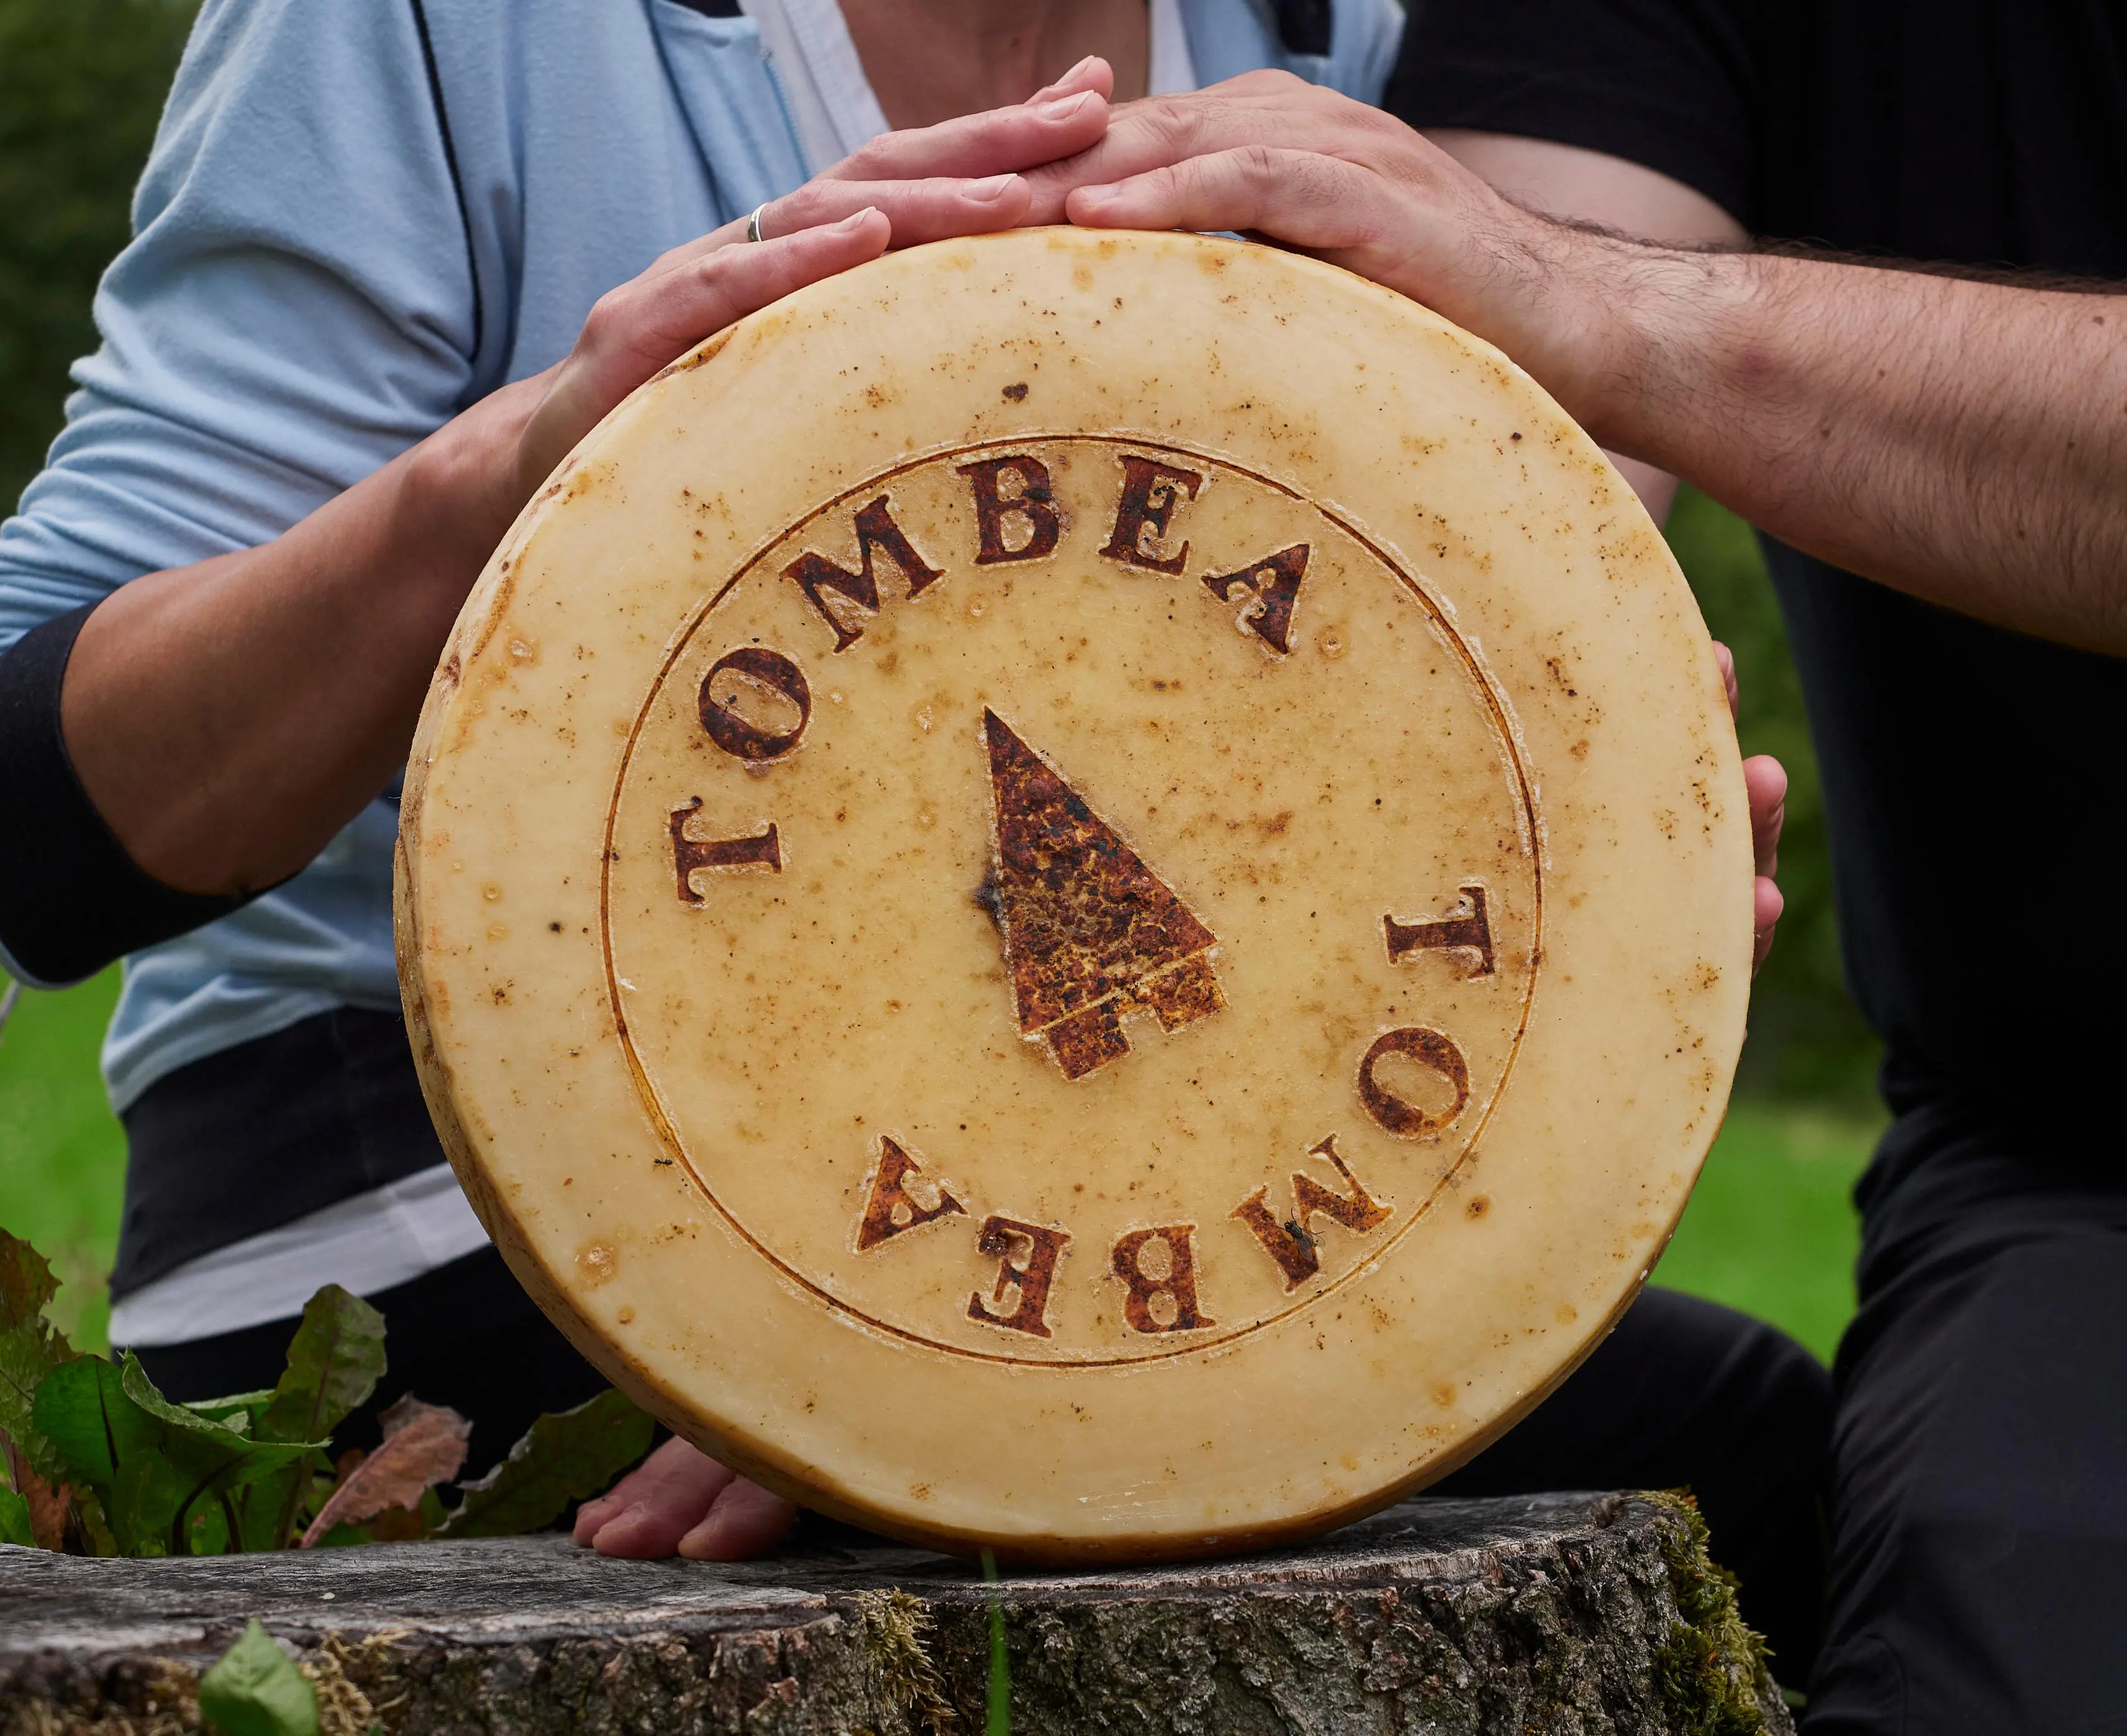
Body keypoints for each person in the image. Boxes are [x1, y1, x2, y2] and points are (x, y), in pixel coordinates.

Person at [0, 0, 1820, 1659]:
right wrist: (522, 467)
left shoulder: (1326, 49)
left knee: (1756, 1451)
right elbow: (38, 804)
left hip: (1124, 1229)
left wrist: (1591, 897)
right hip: (406, 1205)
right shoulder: (438, 31)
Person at [968, 31, 2126, 1731]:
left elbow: (1561, 299)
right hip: (2076, 1167)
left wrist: (1633, 323)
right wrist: (904, 1332)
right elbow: (1441, 469)